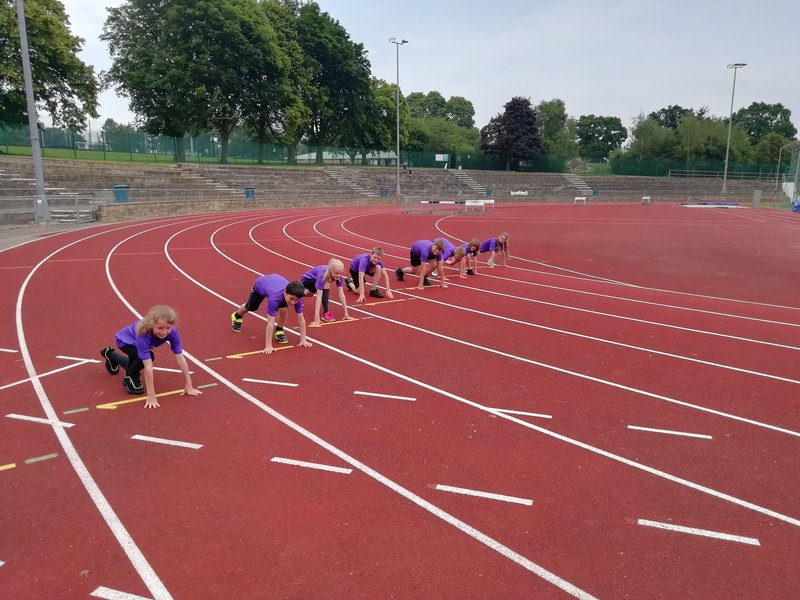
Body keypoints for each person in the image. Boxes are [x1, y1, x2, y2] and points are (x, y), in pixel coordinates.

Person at [100, 305, 201, 408]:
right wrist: (151, 395)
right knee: (147, 357)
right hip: (125, 342)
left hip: (138, 345)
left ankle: (109, 354)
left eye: (168, 328)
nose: (164, 332)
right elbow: (148, 366)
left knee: (135, 363)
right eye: (160, 328)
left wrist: (189, 385)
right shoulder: (143, 333)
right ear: (151, 324)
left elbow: (180, 358)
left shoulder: (173, 333)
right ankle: (128, 377)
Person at [230, 274, 312, 355]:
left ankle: (279, 330)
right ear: (286, 292)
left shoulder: (297, 297)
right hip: (260, 286)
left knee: (283, 309)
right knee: (251, 307)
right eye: (291, 299)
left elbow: (301, 318)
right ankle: (237, 316)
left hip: (275, 284)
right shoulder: (274, 298)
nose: (293, 302)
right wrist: (268, 346)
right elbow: (270, 323)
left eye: (296, 300)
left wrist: (303, 339)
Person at [300, 258, 354, 325]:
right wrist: (316, 318)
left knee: (310, 294)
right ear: (330, 271)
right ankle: (326, 313)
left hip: (316, 280)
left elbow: (341, 294)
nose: (338, 275)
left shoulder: (339, 276)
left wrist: (346, 314)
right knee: (326, 283)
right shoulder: (322, 275)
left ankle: (299, 294)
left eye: (340, 273)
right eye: (336, 273)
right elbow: (319, 297)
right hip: (307, 280)